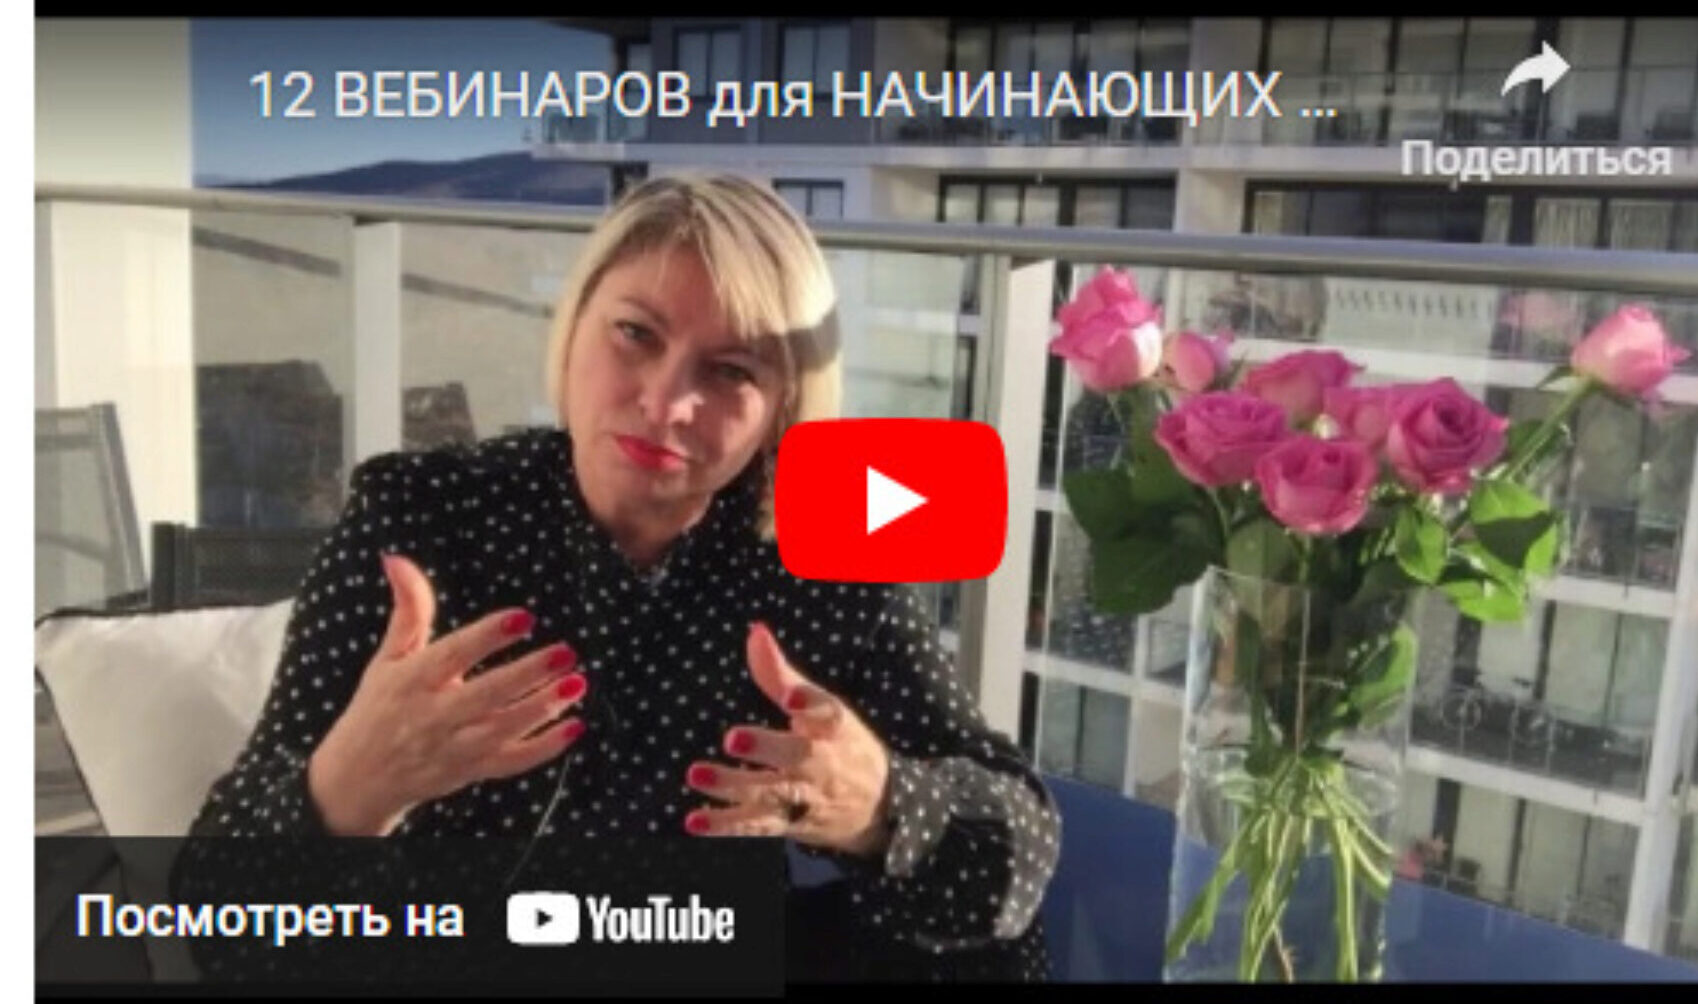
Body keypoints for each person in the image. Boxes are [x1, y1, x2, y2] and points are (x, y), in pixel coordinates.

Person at [182, 174, 1061, 982]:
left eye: (730, 371)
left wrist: (881, 806)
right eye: (635, 334)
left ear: (783, 409)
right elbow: (215, 917)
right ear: (574, 328)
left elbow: (1018, 852)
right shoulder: (420, 518)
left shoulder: (818, 550)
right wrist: (351, 786)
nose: (664, 403)